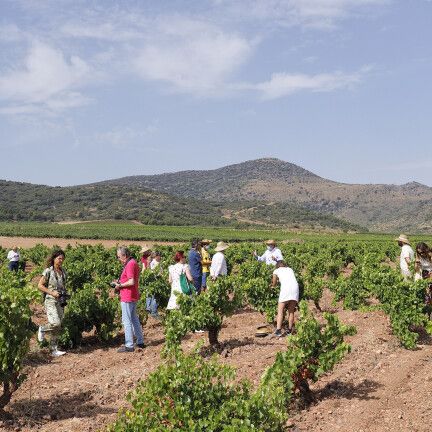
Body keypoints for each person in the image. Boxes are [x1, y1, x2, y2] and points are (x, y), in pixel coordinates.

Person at [112, 246, 145, 353]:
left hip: (128, 296)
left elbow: (131, 282)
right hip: (133, 295)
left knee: (126, 321)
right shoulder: (132, 262)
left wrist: (120, 285)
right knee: (134, 319)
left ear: (124, 256)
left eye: (119, 257)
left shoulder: (130, 264)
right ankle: (140, 341)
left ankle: (129, 345)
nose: (118, 259)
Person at [37, 250, 68, 357]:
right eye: (59, 258)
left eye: (62, 259)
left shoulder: (63, 272)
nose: (61, 260)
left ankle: (53, 349)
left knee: (58, 326)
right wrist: (52, 292)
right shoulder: (48, 271)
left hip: (60, 300)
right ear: (54, 259)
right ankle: (43, 328)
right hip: (50, 300)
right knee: (55, 323)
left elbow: (63, 286)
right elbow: (40, 285)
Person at [271, 260, 299, 337]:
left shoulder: (276, 271)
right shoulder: (290, 269)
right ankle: (290, 330)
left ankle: (278, 330)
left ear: (277, 266)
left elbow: (274, 283)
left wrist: (272, 286)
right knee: (291, 311)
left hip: (285, 290)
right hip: (295, 289)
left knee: (280, 310)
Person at [414, 242, 432, 312]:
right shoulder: (418, 256)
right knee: (426, 292)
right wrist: (416, 263)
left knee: (430, 291)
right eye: (419, 253)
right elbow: (416, 270)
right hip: (424, 274)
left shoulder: (430, 255)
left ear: (426, 250)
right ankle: (427, 307)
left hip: (431, 273)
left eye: (422, 252)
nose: (421, 254)